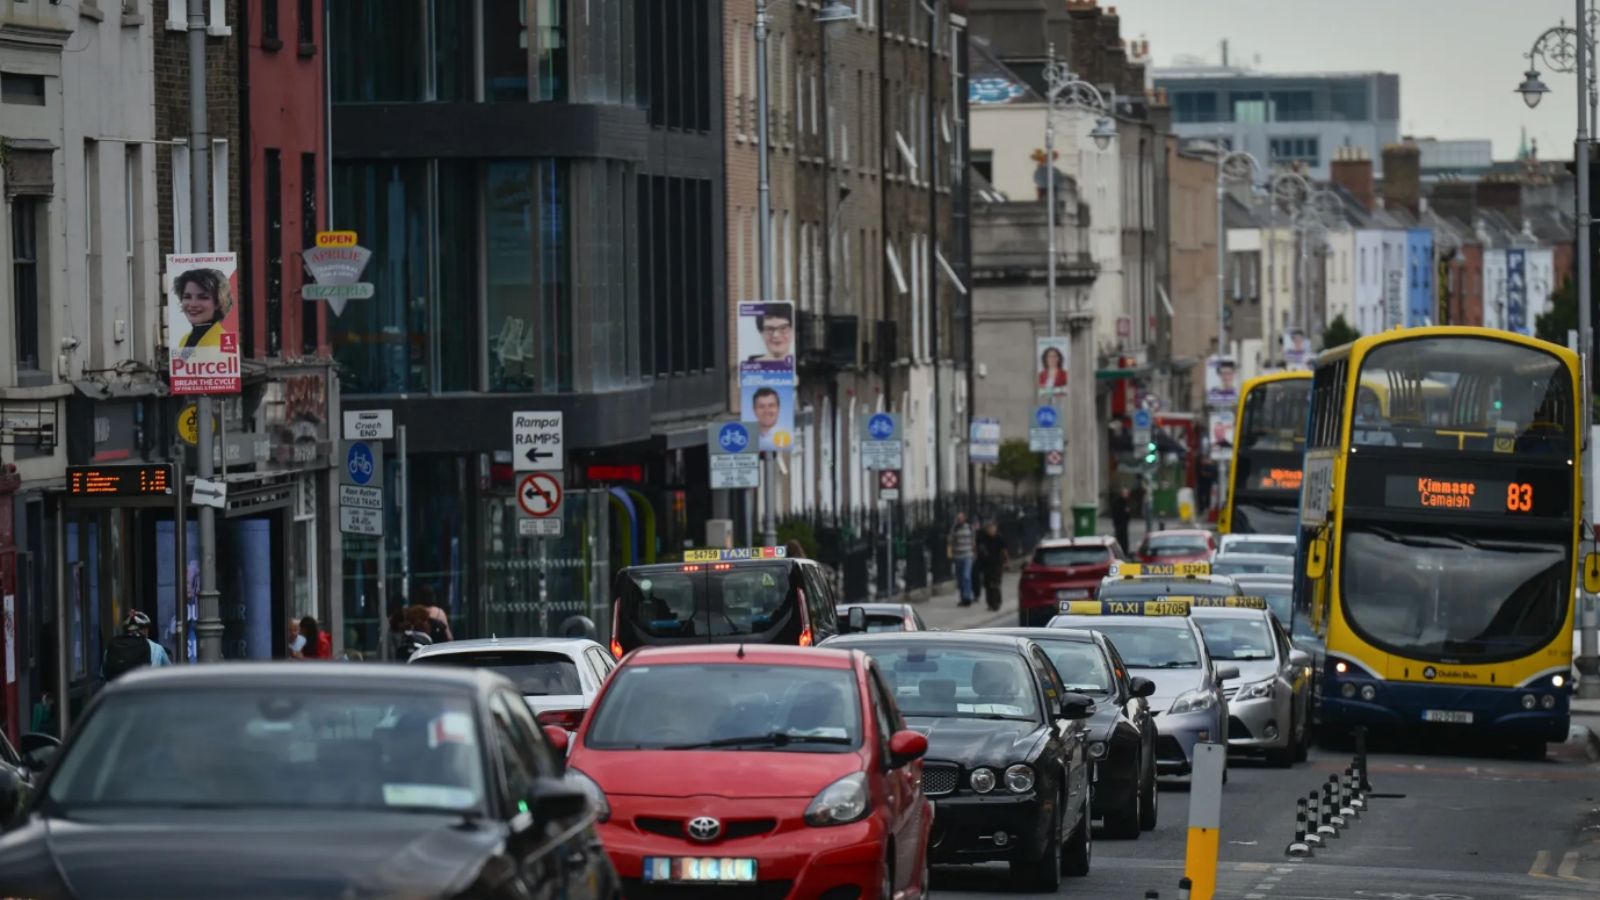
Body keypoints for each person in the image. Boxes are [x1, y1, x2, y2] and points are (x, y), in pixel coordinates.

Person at [173, 268, 234, 351]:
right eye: (187, 297)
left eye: (203, 297)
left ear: (218, 302)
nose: (193, 304)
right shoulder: (185, 339)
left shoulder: (222, 342)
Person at [102, 610, 174, 681]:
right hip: (145, 689)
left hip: (117, 690)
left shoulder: (112, 645)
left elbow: (102, 674)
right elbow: (170, 675)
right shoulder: (156, 648)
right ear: (145, 631)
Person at [975, 522, 1009, 612]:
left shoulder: (999, 538)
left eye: (992, 528)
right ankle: (990, 602)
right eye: (989, 528)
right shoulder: (983, 538)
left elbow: (1004, 550)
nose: (991, 530)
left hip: (997, 564)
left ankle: (997, 602)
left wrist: (1006, 562)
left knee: (996, 584)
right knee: (987, 584)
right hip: (986, 564)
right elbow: (978, 548)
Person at [947, 511, 976, 607]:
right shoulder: (954, 529)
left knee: (966, 577)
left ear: (964, 519)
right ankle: (963, 597)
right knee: (960, 579)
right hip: (957, 556)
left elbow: (973, 541)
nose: (959, 520)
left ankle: (967, 597)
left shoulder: (969, 528)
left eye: (961, 518)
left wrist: (974, 552)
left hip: (967, 555)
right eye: (958, 518)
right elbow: (950, 540)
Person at [1110, 488, 1132, 553]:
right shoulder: (1119, 502)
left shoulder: (1126, 501)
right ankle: (1120, 551)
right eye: (1125, 493)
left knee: (1124, 538)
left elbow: (1128, 513)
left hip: (1124, 523)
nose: (1126, 495)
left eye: (1127, 493)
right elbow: (1116, 512)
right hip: (1119, 523)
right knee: (1120, 538)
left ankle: (1124, 551)